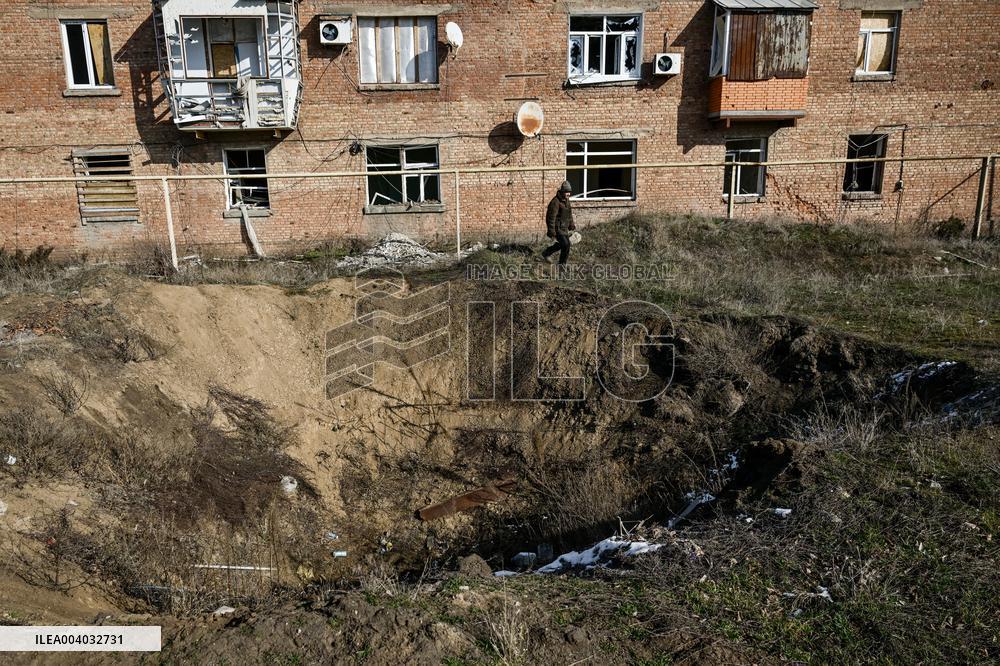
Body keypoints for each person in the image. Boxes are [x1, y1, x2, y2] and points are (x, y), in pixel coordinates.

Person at [542, 181, 575, 265]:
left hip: (564, 228)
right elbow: (551, 218)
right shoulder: (555, 202)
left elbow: (569, 214)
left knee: (565, 245)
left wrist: (571, 224)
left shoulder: (566, 201)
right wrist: (551, 231)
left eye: (569, 192)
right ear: (563, 192)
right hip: (558, 228)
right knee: (566, 245)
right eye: (567, 192)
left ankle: (547, 252)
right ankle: (561, 266)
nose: (569, 194)